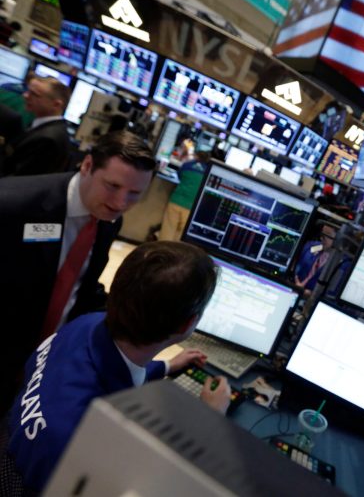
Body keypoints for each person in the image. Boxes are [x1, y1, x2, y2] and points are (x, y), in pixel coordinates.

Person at [2, 241, 232, 494]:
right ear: (187, 324)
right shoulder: (98, 441)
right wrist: (210, 419)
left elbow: (112, 364)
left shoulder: (86, 324)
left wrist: (165, 366)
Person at [0, 130, 156, 412]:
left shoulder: (108, 219)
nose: (121, 203)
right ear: (86, 166)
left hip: (43, 364)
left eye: (135, 194)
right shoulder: (13, 205)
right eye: (112, 186)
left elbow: (80, 284)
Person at [1, 76, 71, 177]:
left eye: (34, 94)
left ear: (56, 104)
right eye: (28, 91)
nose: (25, 95)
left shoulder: (48, 139)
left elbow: (19, 178)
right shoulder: (43, 126)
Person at [158, 148, 209, 241]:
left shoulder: (188, 165)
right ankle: (175, 254)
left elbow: (179, 176)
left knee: (168, 228)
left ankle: (161, 252)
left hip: (176, 200)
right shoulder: (208, 171)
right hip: (192, 207)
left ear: (197, 156)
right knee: (181, 234)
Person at [294, 223, 338, 295]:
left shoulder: (342, 263)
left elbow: (331, 293)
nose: (321, 238)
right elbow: (294, 263)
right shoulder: (313, 246)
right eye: (322, 234)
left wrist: (309, 293)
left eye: (327, 235)